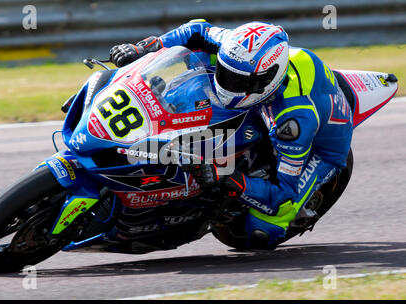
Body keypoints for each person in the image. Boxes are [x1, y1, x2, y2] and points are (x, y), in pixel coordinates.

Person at [109, 19, 353, 248]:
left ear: (266, 79)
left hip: (323, 149)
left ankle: (285, 215)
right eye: (225, 73)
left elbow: (282, 193)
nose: (227, 84)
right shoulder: (239, 52)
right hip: (267, 105)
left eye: (237, 81)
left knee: (262, 230)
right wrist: (142, 48)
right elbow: (197, 29)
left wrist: (225, 175)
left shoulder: (293, 123)